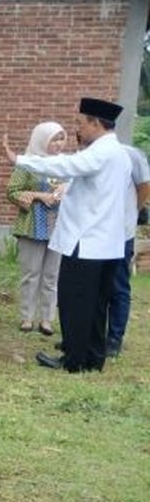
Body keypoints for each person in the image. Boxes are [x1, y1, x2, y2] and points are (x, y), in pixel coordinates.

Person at [4, 97, 131, 373]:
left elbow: (65, 166)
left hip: (86, 243)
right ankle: (93, 358)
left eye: (81, 123)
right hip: (106, 244)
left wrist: (22, 160)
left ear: (96, 123)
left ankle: (73, 359)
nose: (78, 129)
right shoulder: (118, 152)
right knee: (97, 305)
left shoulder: (101, 152)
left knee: (76, 303)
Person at [5, 122, 67, 335]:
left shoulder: (66, 165)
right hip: (32, 224)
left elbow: (79, 190)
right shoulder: (28, 163)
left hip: (58, 226)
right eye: (54, 139)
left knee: (52, 275)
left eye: (61, 138)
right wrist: (40, 196)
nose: (59, 144)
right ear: (42, 140)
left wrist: (65, 188)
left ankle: (47, 319)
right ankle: (26, 316)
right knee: (31, 273)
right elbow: (12, 191)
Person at [105, 143, 150, 356]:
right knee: (93, 286)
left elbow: (144, 186)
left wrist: (132, 212)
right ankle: (90, 334)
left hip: (120, 234)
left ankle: (114, 337)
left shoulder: (131, 155)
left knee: (118, 285)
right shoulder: (87, 155)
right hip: (94, 234)